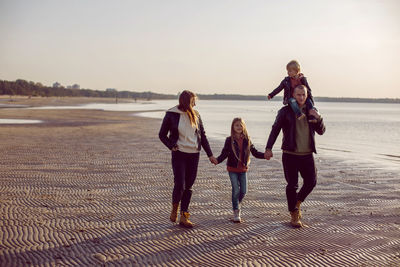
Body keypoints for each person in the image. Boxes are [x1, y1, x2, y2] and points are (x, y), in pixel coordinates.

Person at [264, 85, 326, 227]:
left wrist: (319, 118)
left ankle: (297, 202)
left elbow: (321, 131)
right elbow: (275, 130)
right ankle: (294, 214)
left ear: (307, 94)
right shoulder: (285, 111)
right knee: (292, 185)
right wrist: (268, 148)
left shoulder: (312, 111)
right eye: (298, 95)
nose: (301, 97)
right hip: (290, 154)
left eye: (303, 95)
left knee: (311, 181)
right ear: (293, 95)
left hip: (307, 154)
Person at [159, 90, 218, 228]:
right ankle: (175, 208)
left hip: (194, 154)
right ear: (186, 101)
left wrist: (210, 155)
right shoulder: (171, 114)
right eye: (193, 101)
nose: (195, 104)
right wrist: (171, 145)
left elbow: (202, 136)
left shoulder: (196, 115)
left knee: (189, 186)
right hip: (179, 153)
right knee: (180, 184)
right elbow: (162, 135)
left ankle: (184, 216)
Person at [215, 118, 265, 222]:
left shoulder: (248, 139)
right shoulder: (229, 140)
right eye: (236, 125)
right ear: (233, 127)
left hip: (243, 169)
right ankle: (236, 211)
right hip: (232, 169)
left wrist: (265, 155)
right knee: (236, 190)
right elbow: (224, 153)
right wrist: (217, 160)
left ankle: (236, 203)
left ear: (244, 127)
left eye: (240, 125)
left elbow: (255, 152)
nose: (239, 127)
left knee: (243, 191)